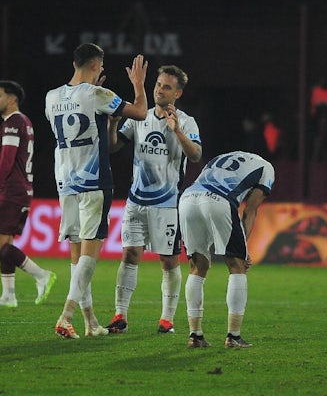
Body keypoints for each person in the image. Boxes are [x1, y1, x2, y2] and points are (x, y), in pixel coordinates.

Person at [45, 43, 148, 339]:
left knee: (77, 257)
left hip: (64, 182)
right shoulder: (98, 95)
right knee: (90, 252)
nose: (102, 71)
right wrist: (138, 85)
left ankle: (90, 322)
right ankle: (66, 315)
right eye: (101, 66)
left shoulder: (52, 97)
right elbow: (140, 112)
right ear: (94, 66)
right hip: (94, 182)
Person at [106, 65, 202, 334]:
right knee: (130, 254)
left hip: (168, 204)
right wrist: (113, 123)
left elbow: (195, 156)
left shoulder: (187, 121)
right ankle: (120, 315)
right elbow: (114, 146)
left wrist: (177, 131)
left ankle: (167, 319)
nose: (159, 90)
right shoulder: (139, 117)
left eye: (166, 87)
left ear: (178, 93)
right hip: (136, 201)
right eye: (158, 84)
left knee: (168, 261)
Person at [179, 151, 275, 348]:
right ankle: (234, 336)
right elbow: (250, 210)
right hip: (219, 199)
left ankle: (195, 336)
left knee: (197, 266)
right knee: (237, 266)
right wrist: (243, 249)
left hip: (188, 197)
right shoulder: (267, 167)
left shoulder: (220, 157)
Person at [0, 80, 56, 308]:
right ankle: (8, 295)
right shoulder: (24, 122)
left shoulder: (13, 123)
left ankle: (41, 275)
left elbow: (6, 163)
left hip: (12, 190)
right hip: (21, 189)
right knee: (6, 242)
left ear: (12, 99)